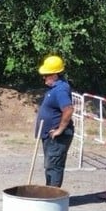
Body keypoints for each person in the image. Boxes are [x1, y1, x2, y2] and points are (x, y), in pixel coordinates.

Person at [36, 54, 75, 188]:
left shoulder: (60, 90)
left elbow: (68, 109)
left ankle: (54, 197)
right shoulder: (54, 88)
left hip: (57, 137)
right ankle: (49, 193)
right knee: (49, 165)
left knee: (54, 166)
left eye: (46, 75)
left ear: (54, 75)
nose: (44, 78)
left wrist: (60, 129)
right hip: (49, 135)